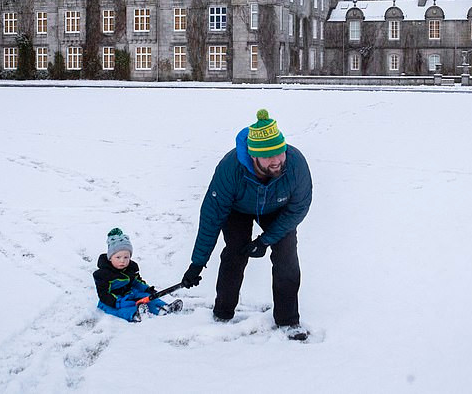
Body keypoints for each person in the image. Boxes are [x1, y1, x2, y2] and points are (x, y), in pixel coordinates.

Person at [181, 109, 312, 340]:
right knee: (235, 252)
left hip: (277, 208)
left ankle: (288, 320)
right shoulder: (230, 169)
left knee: (286, 255)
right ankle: (222, 312)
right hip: (238, 209)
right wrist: (197, 263)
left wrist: (265, 240)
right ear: (253, 156)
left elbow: (298, 208)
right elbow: (212, 216)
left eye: (280, 152)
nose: (277, 160)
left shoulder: (296, 164)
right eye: (269, 156)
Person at [94, 228, 182, 322]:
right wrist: (118, 302)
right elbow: (104, 294)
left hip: (130, 292)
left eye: (126, 257)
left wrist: (147, 289)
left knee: (146, 297)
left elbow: (137, 281)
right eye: (118, 257)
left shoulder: (131, 267)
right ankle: (135, 314)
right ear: (110, 258)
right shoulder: (103, 274)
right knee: (124, 307)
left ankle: (164, 308)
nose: (122, 261)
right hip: (113, 299)